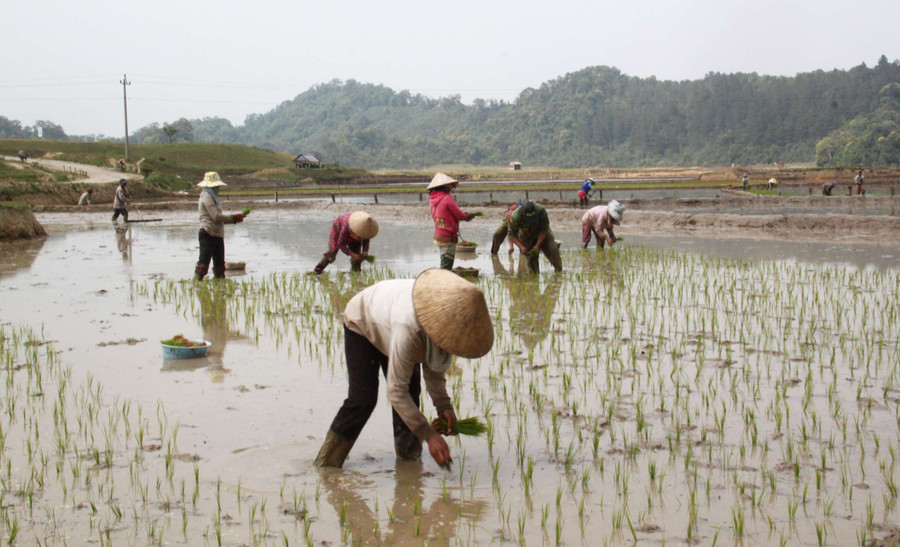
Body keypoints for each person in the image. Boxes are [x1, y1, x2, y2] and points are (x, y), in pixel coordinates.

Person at [314, 268, 494, 469]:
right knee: (363, 400)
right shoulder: (409, 327)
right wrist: (429, 435)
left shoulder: (447, 325)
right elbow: (396, 391)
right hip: (364, 321)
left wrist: (444, 406)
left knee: (411, 394)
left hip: (392, 322)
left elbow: (433, 367)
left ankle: (409, 467)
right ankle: (327, 464)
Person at [194, 172, 244, 280]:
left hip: (217, 234)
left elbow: (219, 220)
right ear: (209, 186)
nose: (218, 188)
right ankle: (196, 284)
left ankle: (220, 286)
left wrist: (234, 220)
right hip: (208, 233)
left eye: (218, 186)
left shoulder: (213, 198)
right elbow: (216, 217)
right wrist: (233, 218)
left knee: (219, 266)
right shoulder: (206, 197)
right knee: (203, 265)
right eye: (216, 186)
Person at [428, 173, 475, 270]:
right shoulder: (447, 198)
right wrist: (468, 216)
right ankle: (443, 278)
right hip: (448, 236)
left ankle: (443, 276)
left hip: (439, 234)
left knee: (444, 258)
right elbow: (459, 215)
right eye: (450, 185)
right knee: (447, 264)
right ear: (444, 186)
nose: (451, 188)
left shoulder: (432, 199)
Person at [312, 211, 379, 274]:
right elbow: (340, 244)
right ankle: (318, 270)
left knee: (357, 255)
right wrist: (353, 255)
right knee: (332, 253)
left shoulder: (366, 228)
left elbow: (366, 238)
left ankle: (355, 273)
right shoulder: (347, 227)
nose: (361, 237)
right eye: (359, 236)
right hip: (338, 228)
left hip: (353, 231)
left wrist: (365, 251)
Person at [507, 201, 563, 273]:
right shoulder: (515, 216)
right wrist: (521, 247)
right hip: (526, 235)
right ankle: (534, 276)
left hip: (542, 232)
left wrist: (537, 245)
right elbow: (512, 234)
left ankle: (559, 271)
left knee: (552, 250)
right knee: (532, 261)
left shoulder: (541, 211)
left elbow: (544, 230)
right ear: (522, 213)